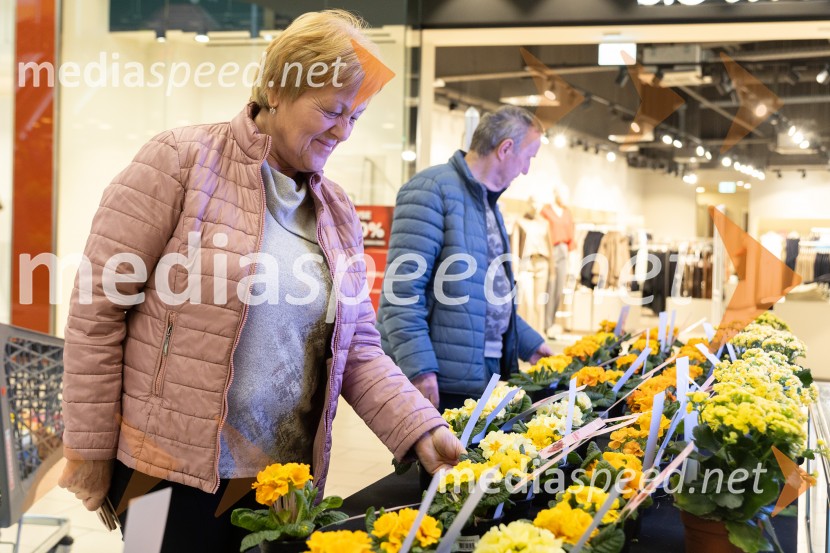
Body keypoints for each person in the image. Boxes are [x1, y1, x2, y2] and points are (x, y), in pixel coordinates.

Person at [57, 10, 462, 551]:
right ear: (276, 88)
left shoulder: (335, 211)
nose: (343, 132)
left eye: (356, 117)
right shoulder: (179, 161)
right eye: (331, 111)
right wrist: (88, 449)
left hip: (278, 484)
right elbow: (96, 311)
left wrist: (419, 426)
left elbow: (358, 347)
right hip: (157, 478)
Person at [376, 106, 553, 411]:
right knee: (432, 459)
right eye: (529, 157)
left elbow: (483, 296)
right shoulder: (430, 191)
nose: (525, 169)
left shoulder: (488, 203)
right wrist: (420, 367)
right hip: (440, 377)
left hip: (478, 369)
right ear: (506, 148)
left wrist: (530, 343)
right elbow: (401, 293)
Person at [540, 185, 575, 339]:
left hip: (563, 251)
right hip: (550, 250)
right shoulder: (546, 211)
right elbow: (542, 233)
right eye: (563, 193)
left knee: (559, 288)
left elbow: (571, 237)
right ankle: (545, 324)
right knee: (549, 288)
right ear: (556, 194)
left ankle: (552, 322)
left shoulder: (567, 213)